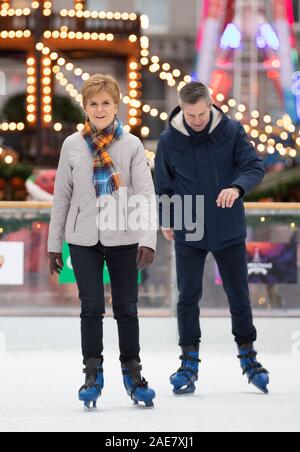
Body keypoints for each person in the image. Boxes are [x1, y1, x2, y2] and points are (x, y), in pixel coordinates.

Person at [48, 74, 157, 410]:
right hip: (82, 239)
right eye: (93, 103)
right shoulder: (72, 145)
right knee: (91, 307)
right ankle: (92, 373)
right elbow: (61, 197)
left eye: (105, 103)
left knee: (126, 308)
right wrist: (55, 243)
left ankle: (132, 372)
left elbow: (145, 194)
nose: (99, 109)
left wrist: (147, 238)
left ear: (116, 105)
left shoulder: (132, 145)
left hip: (123, 235)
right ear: (85, 106)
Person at [155, 81, 270, 395]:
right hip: (189, 226)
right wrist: (167, 218)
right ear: (182, 109)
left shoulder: (231, 131)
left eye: (201, 114)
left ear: (210, 105)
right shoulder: (168, 140)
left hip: (227, 226)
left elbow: (254, 165)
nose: (196, 120)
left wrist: (236, 187)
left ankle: (248, 355)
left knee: (238, 295)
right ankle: (188, 360)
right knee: (187, 297)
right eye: (191, 115)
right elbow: (163, 184)